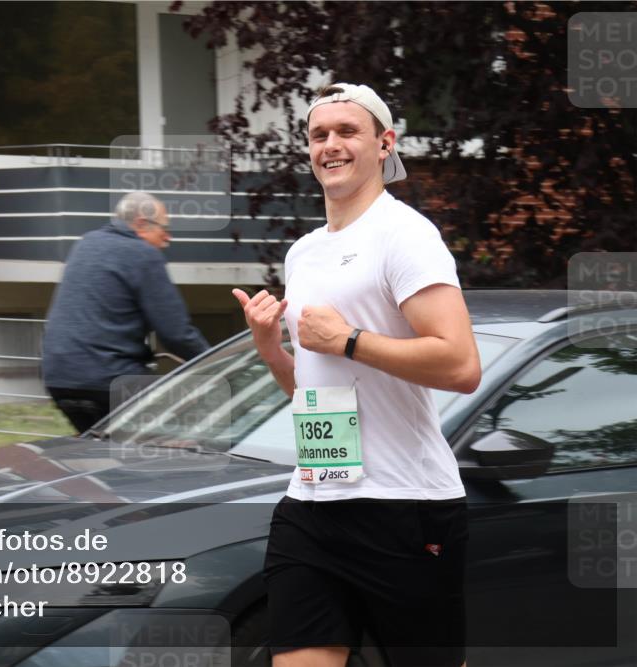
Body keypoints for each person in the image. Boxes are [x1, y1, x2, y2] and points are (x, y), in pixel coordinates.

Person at [233, 83, 481, 667]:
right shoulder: (304, 254)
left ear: (384, 143)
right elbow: (316, 392)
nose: (331, 145)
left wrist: (348, 340)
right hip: (314, 503)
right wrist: (272, 349)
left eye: (348, 131)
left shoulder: (405, 235)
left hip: (405, 507)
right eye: (319, 135)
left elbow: (461, 364)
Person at [42, 192, 209, 433]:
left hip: (59, 379)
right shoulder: (143, 254)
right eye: (164, 229)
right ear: (141, 223)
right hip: (111, 380)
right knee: (190, 425)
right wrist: (218, 364)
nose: (167, 239)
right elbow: (176, 334)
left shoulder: (86, 243)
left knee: (104, 449)